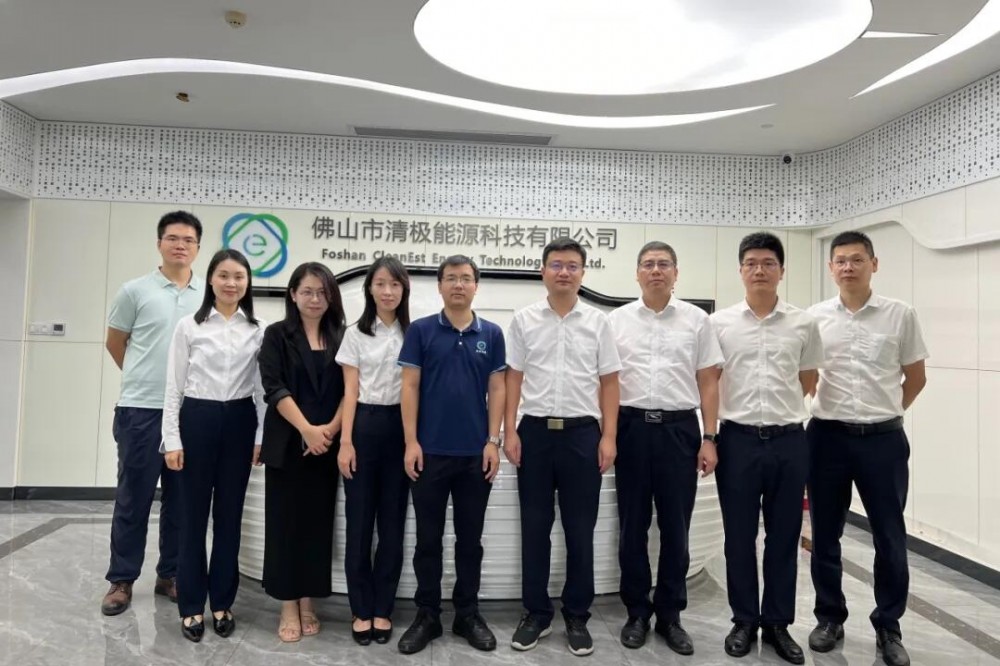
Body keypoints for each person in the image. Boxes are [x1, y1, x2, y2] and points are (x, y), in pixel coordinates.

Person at [806, 231, 928, 666]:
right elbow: (808, 377)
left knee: (889, 536)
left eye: (857, 259)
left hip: (883, 441)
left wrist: (885, 412)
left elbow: (916, 378)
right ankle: (829, 618)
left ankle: (888, 625)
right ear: (830, 268)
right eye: (840, 260)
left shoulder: (900, 315)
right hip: (827, 438)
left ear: (874, 264)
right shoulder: (814, 317)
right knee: (825, 534)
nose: (848, 267)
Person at [504, 237, 621, 657]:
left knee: (579, 530)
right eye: (556, 265)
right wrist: (509, 430)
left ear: (583, 273)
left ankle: (577, 615)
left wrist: (609, 436)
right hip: (534, 434)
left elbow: (610, 382)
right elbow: (513, 378)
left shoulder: (598, 323)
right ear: (543, 271)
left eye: (572, 266)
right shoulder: (523, 320)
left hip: (582, 435)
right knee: (535, 530)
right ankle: (535, 613)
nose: (564, 272)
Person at [710, 232, 823, 665]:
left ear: (781, 270)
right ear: (740, 270)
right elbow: (711, 382)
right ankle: (743, 620)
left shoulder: (803, 323)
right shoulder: (719, 324)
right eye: (751, 263)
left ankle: (777, 623)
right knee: (739, 538)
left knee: (784, 536)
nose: (759, 270)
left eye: (768, 263)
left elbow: (808, 379)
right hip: (737, 440)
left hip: (789, 440)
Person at [608, 241, 724, 654]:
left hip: (679, 431)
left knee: (676, 528)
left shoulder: (697, 321)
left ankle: (671, 615)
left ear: (676, 273)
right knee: (632, 527)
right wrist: (608, 434)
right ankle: (637, 613)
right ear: (637, 273)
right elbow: (606, 383)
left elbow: (709, 382)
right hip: (631, 428)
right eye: (648, 264)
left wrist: (709, 437)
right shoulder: (616, 321)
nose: (656, 270)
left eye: (663, 264)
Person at [395, 255, 506, 655]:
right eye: (451, 278)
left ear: (476, 285)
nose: (459, 285)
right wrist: (411, 441)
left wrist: (492, 441)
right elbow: (409, 387)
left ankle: (467, 614)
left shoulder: (491, 333)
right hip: (429, 453)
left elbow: (498, 388)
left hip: (475, 455)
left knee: (470, 540)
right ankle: (427, 615)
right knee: (428, 540)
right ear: (439, 285)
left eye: (466, 278)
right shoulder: (422, 331)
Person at [101, 211, 203, 616]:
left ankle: (170, 574)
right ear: (159, 243)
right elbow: (115, 343)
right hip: (140, 411)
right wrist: (145, 381)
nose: (180, 245)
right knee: (133, 498)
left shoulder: (207, 294)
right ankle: (121, 579)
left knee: (181, 501)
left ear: (198, 247)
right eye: (173, 238)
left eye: (188, 240)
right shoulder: (134, 291)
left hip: (190, 412)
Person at [162, 248, 266, 643]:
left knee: (229, 518)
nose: (231, 283)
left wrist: (259, 437)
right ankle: (191, 605)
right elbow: (173, 387)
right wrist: (172, 439)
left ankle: (222, 602)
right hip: (197, 420)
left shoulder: (257, 329)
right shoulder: (189, 326)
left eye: (239, 276)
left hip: (239, 422)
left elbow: (262, 393)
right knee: (191, 518)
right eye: (224, 275)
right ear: (210, 279)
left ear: (247, 283)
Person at [258, 262, 346, 642]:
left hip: (326, 446)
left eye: (322, 292)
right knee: (285, 525)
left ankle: (308, 600)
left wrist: (329, 430)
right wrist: (307, 430)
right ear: (293, 294)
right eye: (307, 291)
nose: (315, 299)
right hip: (289, 444)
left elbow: (352, 389)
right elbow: (273, 388)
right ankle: (287, 603)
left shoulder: (341, 335)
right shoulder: (277, 335)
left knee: (316, 526)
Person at [335, 257, 412, 646]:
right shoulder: (355, 334)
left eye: (395, 284)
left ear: (404, 290)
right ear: (369, 288)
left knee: (393, 526)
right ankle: (360, 608)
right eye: (380, 284)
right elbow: (349, 391)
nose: (387, 291)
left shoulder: (414, 333)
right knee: (360, 523)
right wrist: (346, 441)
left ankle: (383, 607)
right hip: (363, 426)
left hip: (402, 428)